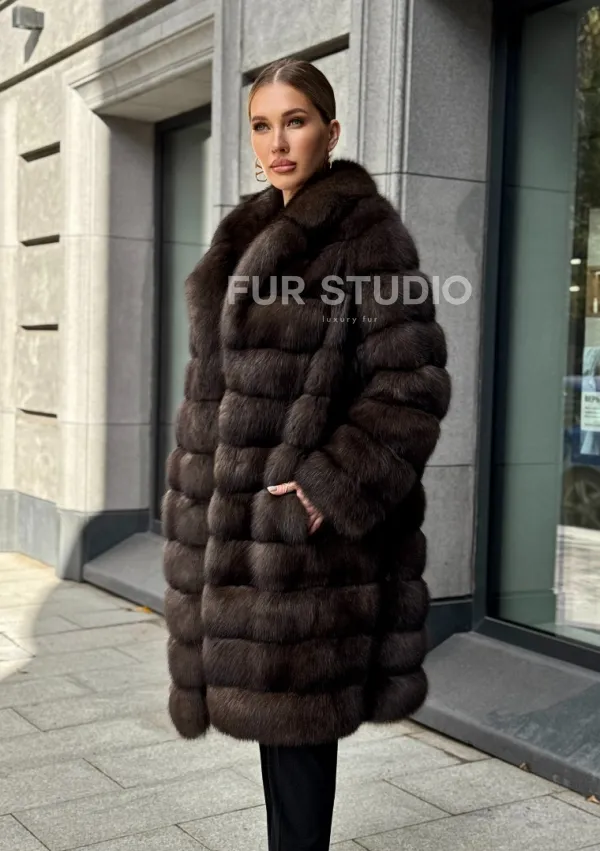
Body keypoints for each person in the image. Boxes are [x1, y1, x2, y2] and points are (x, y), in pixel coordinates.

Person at [162, 57, 451, 851]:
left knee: (297, 736)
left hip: (303, 544)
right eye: (262, 125)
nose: (278, 142)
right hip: (235, 539)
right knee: (277, 733)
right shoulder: (243, 234)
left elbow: (411, 384)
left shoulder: (365, 235)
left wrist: (325, 487)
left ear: (331, 130)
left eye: (295, 121)